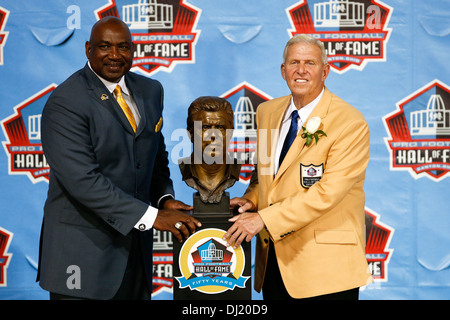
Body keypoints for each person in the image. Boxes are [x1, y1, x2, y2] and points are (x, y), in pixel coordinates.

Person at [37, 16, 201, 300]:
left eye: (123, 47)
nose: (114, 55)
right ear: (88, 49)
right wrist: (153, 216)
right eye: (104, 47)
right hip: (82, 257)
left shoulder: (150, 91)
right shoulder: (66, 101)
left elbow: (154, 155)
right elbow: (84, 182)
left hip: (135, 255)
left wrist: (164, 199)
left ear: (133, 50)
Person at [223, 34, 373, 299]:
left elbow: (327, 193)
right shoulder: (267, 112)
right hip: (274, 264)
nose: (301, 70)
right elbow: (267, 175)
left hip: (327, 270)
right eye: (294, 62)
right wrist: (252, 199)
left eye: (310, 63)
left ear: (325, 71)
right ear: (283, 70)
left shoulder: (350, 122)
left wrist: (263, 219)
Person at [178, 96, 241, 204]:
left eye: (220, 127)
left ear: (230, 133)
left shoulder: (235, 167)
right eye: (205, 127)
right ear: (191, 133)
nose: (213, 135)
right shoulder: (185, 166)